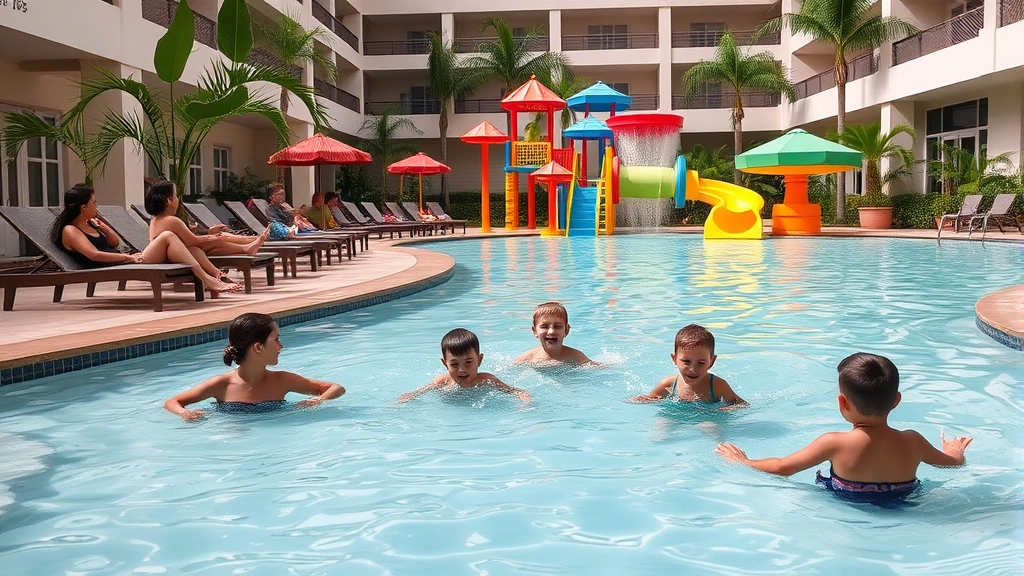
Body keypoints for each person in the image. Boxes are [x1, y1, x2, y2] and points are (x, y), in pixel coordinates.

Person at [715, 353, 973, 502]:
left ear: (842, 403)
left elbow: (783, 468)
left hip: (846, 505)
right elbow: (952, 464)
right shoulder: (913, 441)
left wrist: (743, 462)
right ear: (896, 400)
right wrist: (955, 450)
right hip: (904, 503)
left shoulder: (833, 443)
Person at [51, 185, 240, 295]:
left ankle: (214, 278)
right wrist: (129, 258)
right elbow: (94, 255)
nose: (96, 206)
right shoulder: (71, 230)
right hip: (120, 262)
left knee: (192, 250)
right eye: (94, 203)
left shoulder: (90, 224)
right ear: (83, 207)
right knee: (167, 235)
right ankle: (207, 279)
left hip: (124, 260)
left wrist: (104, 228)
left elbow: (114, 243)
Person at [164, 313, 346, 420]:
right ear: (258, 347)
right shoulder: (221, 384)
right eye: (276, 339)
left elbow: (336, 388)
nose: (281, 346)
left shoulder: (283, 380)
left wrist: (318, 401)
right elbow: (172, 402)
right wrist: (185, 413)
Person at [398, 328, 532, 403]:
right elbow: (416, 393)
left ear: (479, 360)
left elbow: (515, 391)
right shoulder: (442, 382)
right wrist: (405, 399)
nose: (462, 370)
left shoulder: (486, 380)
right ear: (445, 364)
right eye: (454, 364)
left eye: (468, 362)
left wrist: (524, 399)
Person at [629, 324, 746, 408]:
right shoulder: (669, 384)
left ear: (711, 362)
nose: (692, 369)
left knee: (709, 426)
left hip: (707, 415)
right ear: (674, 359)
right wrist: (637, 400)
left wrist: (725, 410)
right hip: (677, 412)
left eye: (701, 363)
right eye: (686, 361)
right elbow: (651, 398)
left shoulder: (717, 385)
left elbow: (741, 404)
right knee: (662, 424)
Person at [145, 180, 268, 257]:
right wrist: (213, 237)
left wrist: (209, 233)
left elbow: (185, 237)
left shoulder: (159, 219)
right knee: (214, 241)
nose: (178, 199)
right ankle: (250, 245)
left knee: (212, 243)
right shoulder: (171, 220)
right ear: (169, 200)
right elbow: (192, 241)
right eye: (176, 196)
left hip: (173, 253)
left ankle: (249, 246)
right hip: (171, 255)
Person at [514, 302, 595, 366]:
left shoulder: (575, 357)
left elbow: (597, 368)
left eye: (557, 326)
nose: (551, 331)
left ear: (566, 330)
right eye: (544, 326)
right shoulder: (527, 359)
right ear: (534, 331)